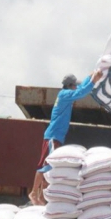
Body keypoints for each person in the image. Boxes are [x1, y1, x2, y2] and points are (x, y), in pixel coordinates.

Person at [28, 69, 103, 205]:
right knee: (44, 165)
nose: (76, 87)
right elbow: (80, 92)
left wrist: (90, 76)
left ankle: (40, 198)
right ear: (69, 85)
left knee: (49, 167)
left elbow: (80, 88)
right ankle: (33, 193)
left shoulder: (66, 93)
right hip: (53, 136)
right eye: (74, 85)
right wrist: (94, 81)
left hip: (56, 136)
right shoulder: (64, 94)